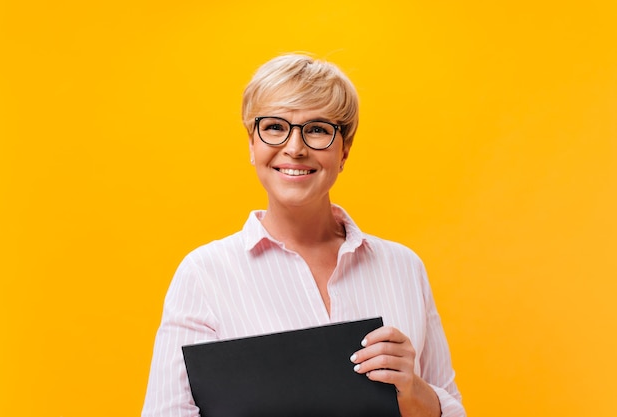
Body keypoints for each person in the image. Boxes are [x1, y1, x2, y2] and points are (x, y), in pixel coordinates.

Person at [142, 53, 465, 417]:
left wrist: (413, 391)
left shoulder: (403, 267)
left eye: (317, 130)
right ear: (252, 144)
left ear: (344, 151)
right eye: (275, 127)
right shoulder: (204, 274)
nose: (295, 148)